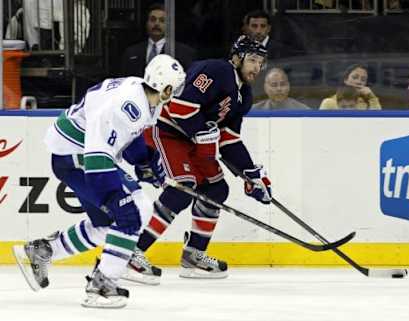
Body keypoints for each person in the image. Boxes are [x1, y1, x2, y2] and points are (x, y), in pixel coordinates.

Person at [12, 54, 186, 309]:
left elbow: (131, 137)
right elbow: (97, 154)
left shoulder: (143, 93)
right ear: (166, 87)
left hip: (79, 152)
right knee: (132, 212)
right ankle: (102, 284)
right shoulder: (126, 108)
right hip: (77, 156)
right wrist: (114, 196)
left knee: (109, 223)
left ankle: (44, 251)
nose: (177, 92)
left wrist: (145, 161)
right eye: (176, 87)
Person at [129, 35, 273, 282]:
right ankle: (132, 252)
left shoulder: (244, 95)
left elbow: (229, 139)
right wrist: (202, 133)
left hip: (193, 140)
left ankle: (193, 254)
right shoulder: (216, 70)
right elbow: (179, 106)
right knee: (184, 187)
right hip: (167, 131)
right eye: (252, 60)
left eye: (261, 63)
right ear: (237, 58)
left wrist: (251, 174)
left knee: (216, 189)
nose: (256, 68)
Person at [121, 2, 196, 77]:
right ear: (146, 23)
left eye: (162, 20)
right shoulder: (131, 52)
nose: (156, 23)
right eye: (153, 20)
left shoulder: (184, 52)